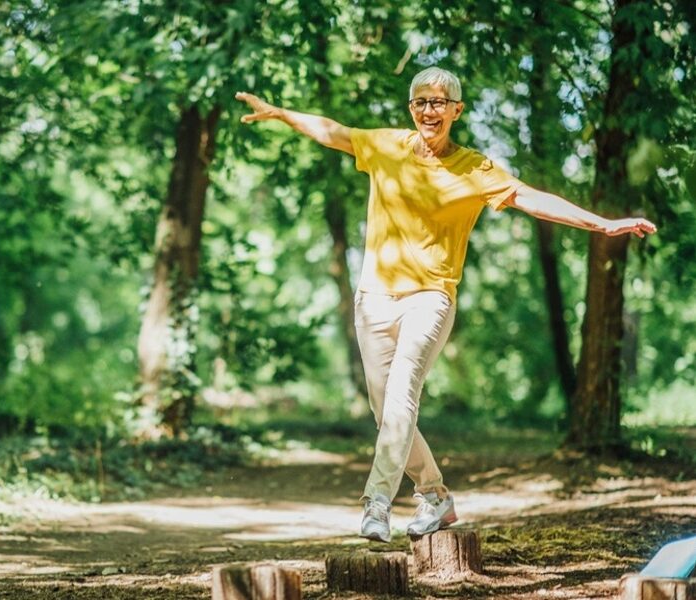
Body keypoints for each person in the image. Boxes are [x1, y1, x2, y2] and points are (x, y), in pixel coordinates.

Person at [235, 66, 656, 542]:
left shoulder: (475, 169)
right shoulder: (386, 146)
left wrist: (603, 224)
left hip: (430, 298)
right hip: (373, 298)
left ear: (457, 109)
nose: (427, 111)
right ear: (410, 108)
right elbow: (333, 131)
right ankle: (435, 497)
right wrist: (281, 114)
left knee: (401, 397)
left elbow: (532, 198)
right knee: (386, 411)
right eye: (419, 102)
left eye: (438, 102)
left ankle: (376, 503)